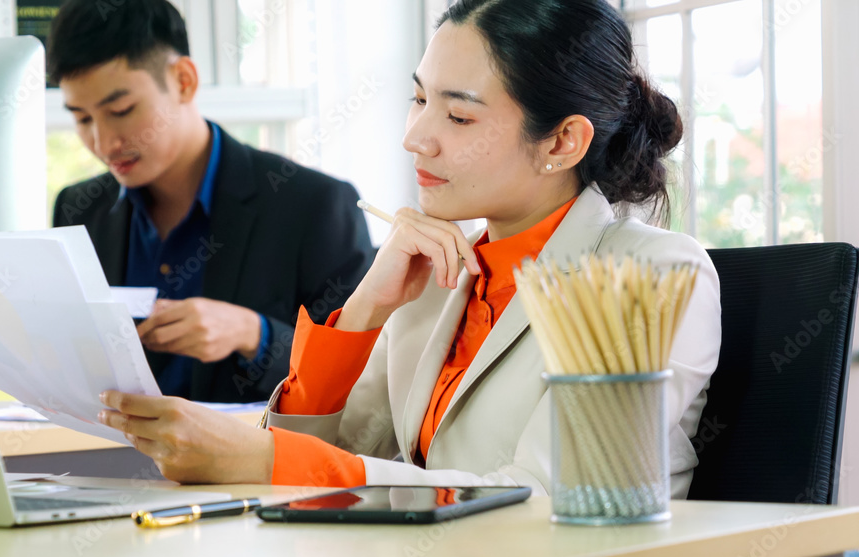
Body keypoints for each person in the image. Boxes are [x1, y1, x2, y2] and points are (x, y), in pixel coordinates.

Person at [97, 0, 721, 497]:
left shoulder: (651, 275)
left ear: (561, 142)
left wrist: (267, 456)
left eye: (458, 117)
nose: (416, 138)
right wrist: (367, 308)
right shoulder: (438, 278)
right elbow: (328, 469)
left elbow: (547, 500)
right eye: (420, 99)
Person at [48, 0, 374, 403]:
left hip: (254, 463)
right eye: (82, 118)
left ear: (184, 81)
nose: (102, 142)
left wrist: (253, 334)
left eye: (121, 110)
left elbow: (362, 375)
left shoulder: (315, 206)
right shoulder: (78, 209)